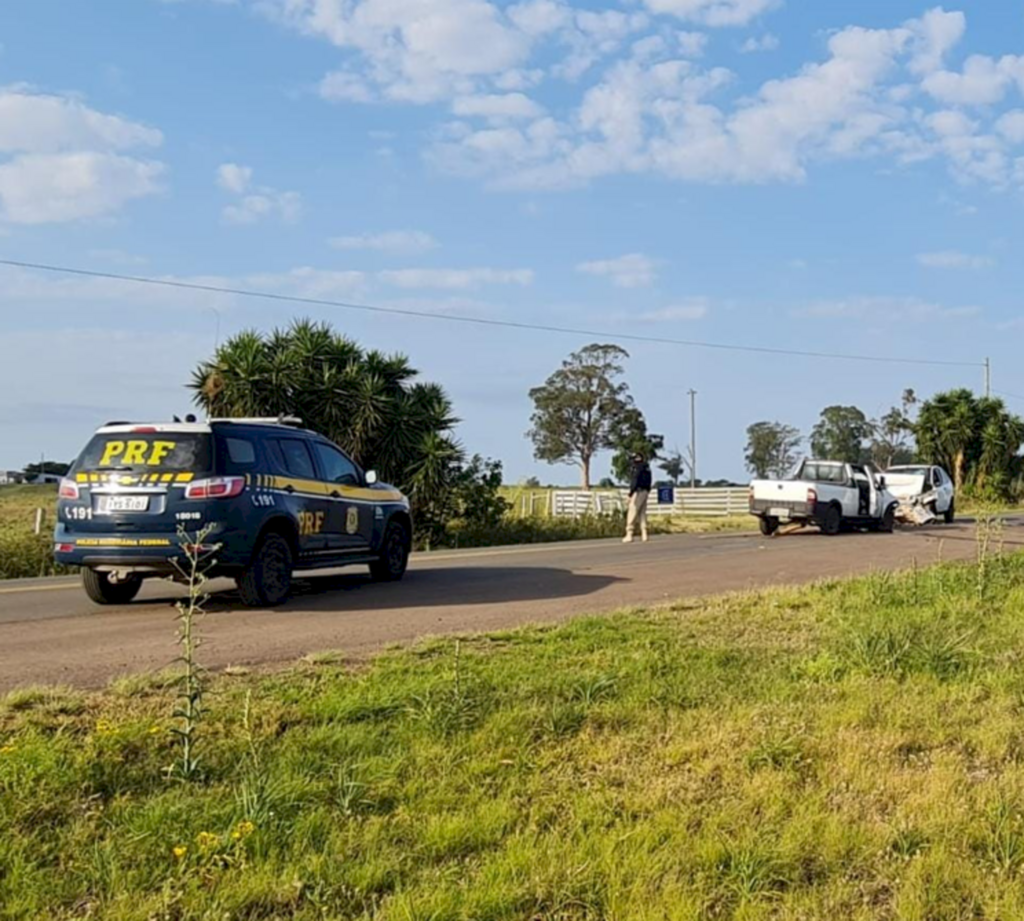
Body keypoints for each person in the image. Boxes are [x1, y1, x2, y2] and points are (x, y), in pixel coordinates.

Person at [623, 452, 652, 543]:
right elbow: (650, 480)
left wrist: (630, 494)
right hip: (645, 491)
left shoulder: (637, 468)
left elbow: (635, 481)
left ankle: (629, 533)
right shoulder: (647, 467)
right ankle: (644, 533)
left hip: (638, 491)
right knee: (642, 513)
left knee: (633, 511)